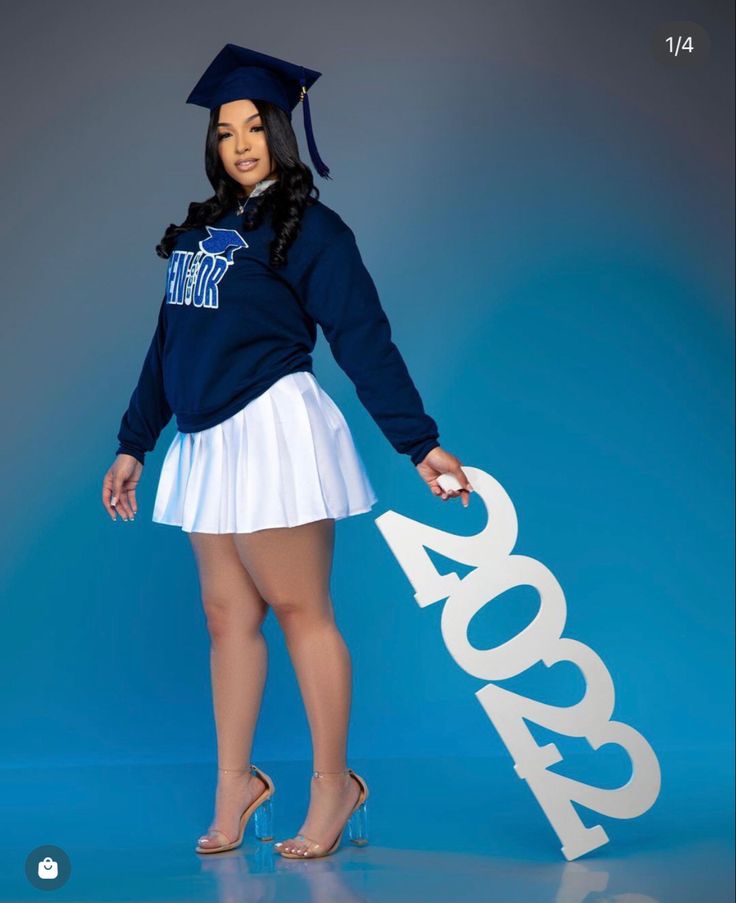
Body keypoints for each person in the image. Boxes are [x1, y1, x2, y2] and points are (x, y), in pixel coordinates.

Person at [101, 44, 473, 859]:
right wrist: (135, 443)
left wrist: (421, 443)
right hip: (205, 439)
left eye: (254, 126)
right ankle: (236, 783)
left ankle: (333, 785)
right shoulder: (202, 229)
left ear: (280, 130)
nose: (239, 142)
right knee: (226, 617)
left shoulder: (312, 229)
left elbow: (363, 338)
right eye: (225, 129)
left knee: (303, 612)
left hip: (272, 428)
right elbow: (168, 344)